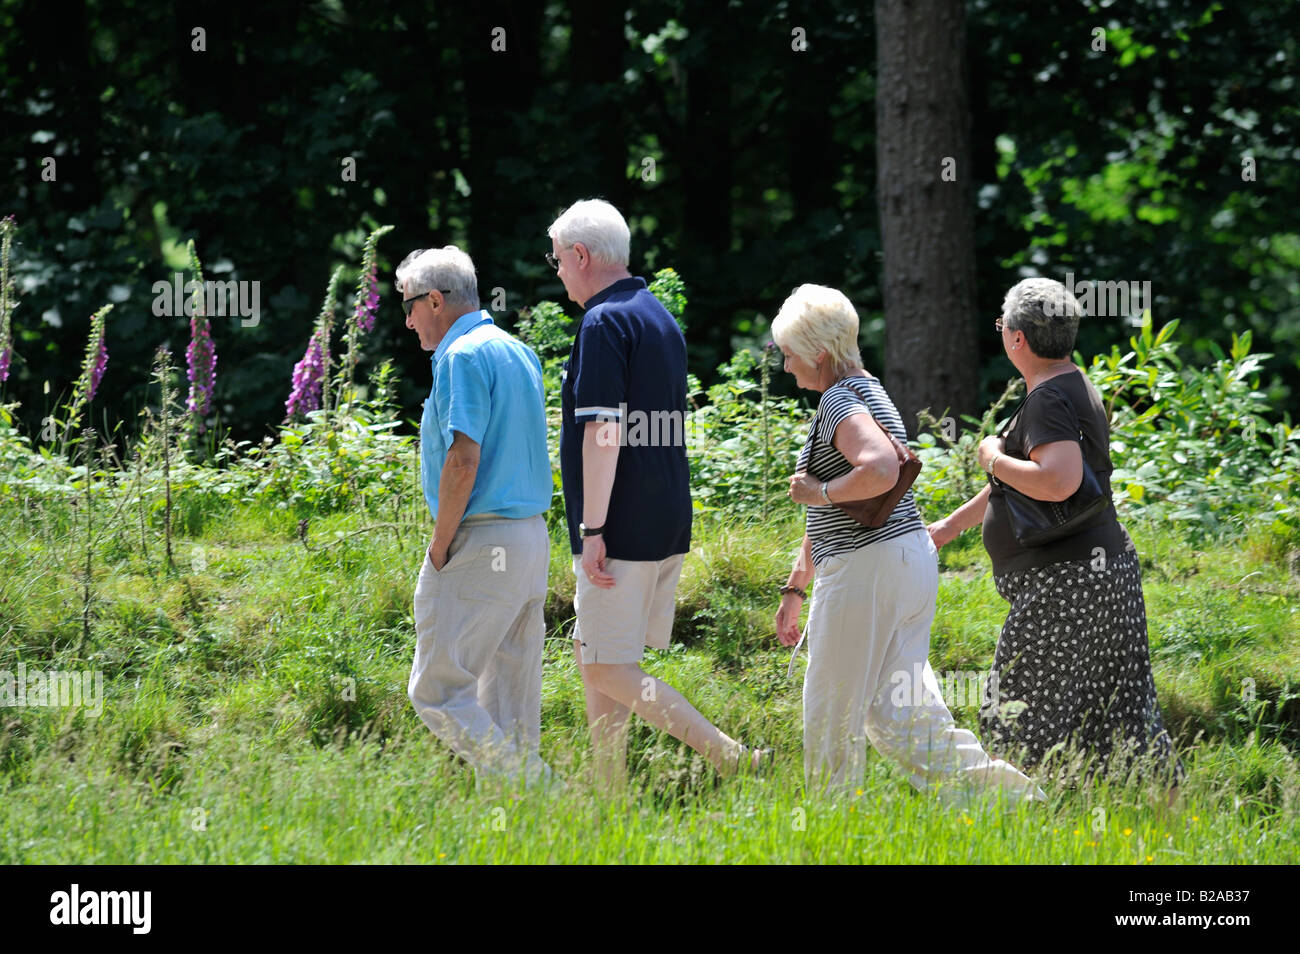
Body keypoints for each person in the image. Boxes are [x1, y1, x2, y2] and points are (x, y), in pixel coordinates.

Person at [772, 283, 1045, 805]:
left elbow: (877, 469)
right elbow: (852, 499)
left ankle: (832, 826)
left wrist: (818, 490)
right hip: (905, 562)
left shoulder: (835, 401)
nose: (786, 367)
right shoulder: (873, 391)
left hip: (864, 572)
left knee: (832, 708)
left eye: (789, 354)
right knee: (901, 713)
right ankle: (1008, 802)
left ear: (818, 353)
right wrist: (796, 583)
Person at [928, 277, 1184, 788]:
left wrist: (992, 457)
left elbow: (1058, 481)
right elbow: (1036, 484)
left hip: (1064, 586)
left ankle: (1017, 824)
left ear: (1018, 339)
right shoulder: (1074, 385)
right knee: (1123, 711)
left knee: (1016, 711)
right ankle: (1168, 817)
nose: (1001, 333)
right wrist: (952, 525)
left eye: (1002, 325)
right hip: (1106, 575)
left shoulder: (1046, 400)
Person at [550, 198, 762, 787]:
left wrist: (593, 530)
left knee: (604, 663)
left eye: (558, 261)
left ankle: (728, 755)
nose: (558, 272)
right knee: (599, 656)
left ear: (581, 255)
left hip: (621, 522)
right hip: (665, 513)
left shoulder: (601, 321)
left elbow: (603, 432)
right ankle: (608, 792)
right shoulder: (658, 316)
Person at [399, 245, 554, 785]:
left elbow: (464, 460)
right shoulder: (518, 351)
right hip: (532, 541)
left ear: (435, 300)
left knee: (436, 692)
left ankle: (550, 796)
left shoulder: (460, 356)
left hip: (482, 541)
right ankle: (532, 831)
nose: (409, 321)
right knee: (509, 706)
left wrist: (440, 546)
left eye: (409, 306)